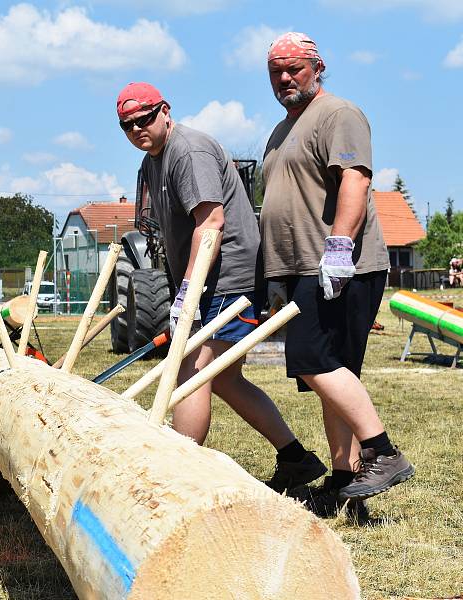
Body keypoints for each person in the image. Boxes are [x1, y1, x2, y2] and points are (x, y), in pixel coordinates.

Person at [116, 82, 326, 492]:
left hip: (227, 278)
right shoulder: (151, 161)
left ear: (165, 111)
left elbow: (211, 223)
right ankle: (295, 458)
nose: (137, 129)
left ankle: (180, 479)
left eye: (144, 119)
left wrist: (187, 291)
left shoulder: (188, 151)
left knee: (190, 371)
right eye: (127, 125)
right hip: (205, 280)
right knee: (226, 379)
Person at [261, 32, 414, 518]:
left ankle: (381, 451)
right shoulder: (283, 128)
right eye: (276, 72)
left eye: (294, 68)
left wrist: (340, 247)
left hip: (338, 265)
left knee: (310, 358)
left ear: (318, 67)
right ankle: (347, 478)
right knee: (333, 372)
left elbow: (356, 177)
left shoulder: (338, 114)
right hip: (300, 266)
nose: (285, 78)